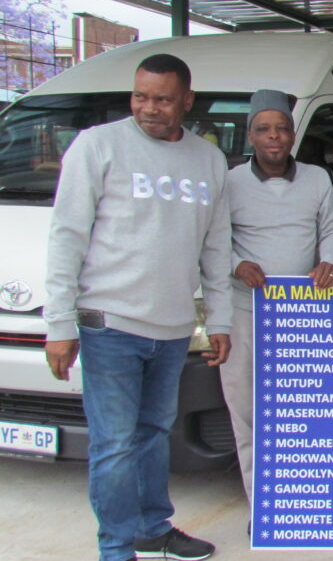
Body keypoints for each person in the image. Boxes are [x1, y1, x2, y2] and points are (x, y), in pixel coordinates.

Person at [43, 53, 231, 561]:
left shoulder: (208, 160)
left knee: (152, 437)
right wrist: (58, 323)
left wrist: (221, 318)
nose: (149, 108)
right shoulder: (98, 145)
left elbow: (216, 247)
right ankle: (117, 548)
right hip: (109, 326)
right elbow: (66, 237)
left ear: (187, 100)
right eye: (140, 96)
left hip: (171, 329)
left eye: (163, 99)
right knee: (114, 444)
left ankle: (152, 528)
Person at [222, 89, 333, 510]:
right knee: (248, 410)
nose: (274, 137)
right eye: (263, 130)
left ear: (294, 134)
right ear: (250, 137)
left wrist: (329, 261)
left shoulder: (317, 178)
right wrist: (237, 263)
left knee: (305, 409)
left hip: (304, 313)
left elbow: (330, 229)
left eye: (281, 129)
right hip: (246, 311)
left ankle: (306, 500)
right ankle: (264, 504)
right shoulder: (230, 180)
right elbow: (213, 239)